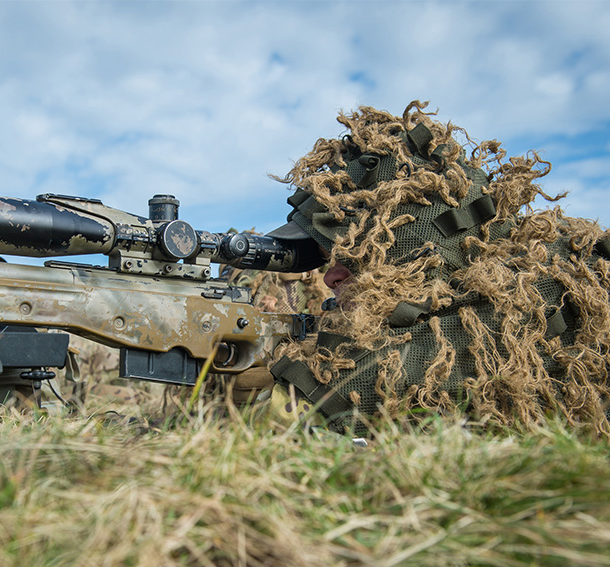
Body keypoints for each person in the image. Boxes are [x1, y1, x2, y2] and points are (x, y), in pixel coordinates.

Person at [261, 100, 610, 438]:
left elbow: (354, 391)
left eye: (354, 258)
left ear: (422, 252)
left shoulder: (555, 288)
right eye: (329, 259)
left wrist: (261, 385)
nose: (330, 276)